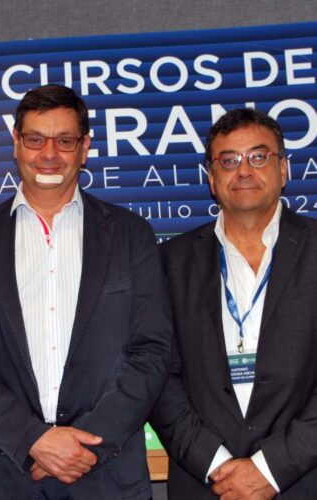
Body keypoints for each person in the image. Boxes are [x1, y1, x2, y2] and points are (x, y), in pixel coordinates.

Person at [0, 84, 173, 500]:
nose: (49, 154)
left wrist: (87, 445)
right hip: (12, 474)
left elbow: (152, 350)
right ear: (16, 142)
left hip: (108, 472)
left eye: (65, 141)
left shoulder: (130, 234)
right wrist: (31, 438)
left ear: (84, 148)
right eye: (35, 139)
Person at [149, 108, 317, 499]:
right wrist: (216, 465)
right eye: (228, 161)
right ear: (211, 177)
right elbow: (155, 374)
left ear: (284, 169)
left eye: (258, 157)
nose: (243, 171)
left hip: (305, 478)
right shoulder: (168, 263)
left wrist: (271, 468)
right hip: (207, 482)